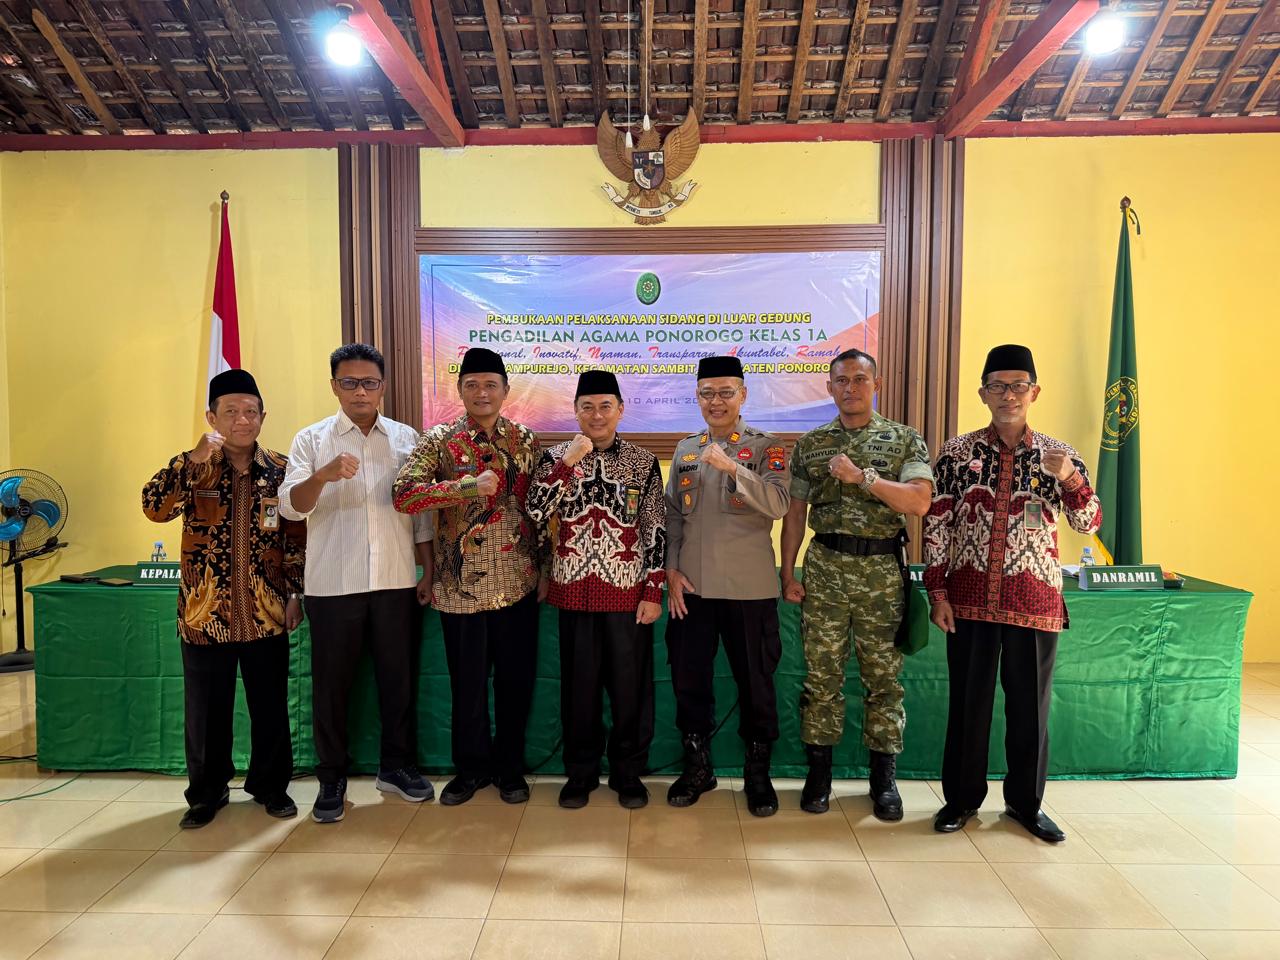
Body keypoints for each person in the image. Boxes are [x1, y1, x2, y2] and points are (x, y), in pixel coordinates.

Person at [925, 344, 1102, 843]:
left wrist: (1069, 478)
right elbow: (937, 524)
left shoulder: (1060, 455)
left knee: (1030, 711)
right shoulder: (957, 453)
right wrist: (937, 591)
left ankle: (1026, 804)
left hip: (1034, 602)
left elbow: (1089, 523)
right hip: (968, 601)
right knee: (969, 708)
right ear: (983, 393)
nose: (1008, 395)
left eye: (1018, 386)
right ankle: (961, 800)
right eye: (998, 386)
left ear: (1034, 392)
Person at [279, 343, 435, 823]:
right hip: (332, 585)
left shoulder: (406, 439)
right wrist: (323, 476)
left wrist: (427, 569)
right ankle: (331, 778)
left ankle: (397, 767)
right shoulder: (311, 440)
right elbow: (290, 508)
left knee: (398, 681)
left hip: (394, 579)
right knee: (332, 688)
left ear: (382, 387)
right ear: (334, 386)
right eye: (349, 382)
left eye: (369, 382)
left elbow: (420, 513)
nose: (360, 391)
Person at [142, 369, 304, 829]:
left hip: (266, 611)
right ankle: (206, 793)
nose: (242, 420)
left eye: (251, 412)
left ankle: (270, 786)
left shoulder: (280, 469)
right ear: (212, 417)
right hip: (204, 612)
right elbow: (154, 508)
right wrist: (191, 460)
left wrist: (295, 593)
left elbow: (294, 537)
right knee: (207, 711)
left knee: (269, 705)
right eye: (231, 412)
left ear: (263, 416)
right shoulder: (194, 466)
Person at [779, 348, 934, 819]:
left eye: (860, 379)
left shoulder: (903, 439)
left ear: (876, 384)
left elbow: (919, 503)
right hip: (825, 568)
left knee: (883, 679)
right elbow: (795, 514)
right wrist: (787, 572)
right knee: (821, 676)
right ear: (830, 388)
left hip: (881, 572)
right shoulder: (811, 444)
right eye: (842, 381)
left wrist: (863, 478)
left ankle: (883, 780)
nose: (850, 388)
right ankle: (819, 776)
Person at [392, 348, 543, 805]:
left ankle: (510, 770)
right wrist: (464, 487)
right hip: (459, 588)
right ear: (459, 391)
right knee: (468, 686)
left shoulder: (525, 441)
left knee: (515, 684)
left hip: (517, 583)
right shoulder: (439, 440)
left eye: (490, 384)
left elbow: (541, 511)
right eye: (472, 385)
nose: (482, 393)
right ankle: (471, 770)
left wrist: (547, 569)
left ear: (505, 390)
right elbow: (403, 494)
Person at [527, 370, 665, 810]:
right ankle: (580, 773)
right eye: (587, 406)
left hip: (627, 593)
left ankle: (629, 773)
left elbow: (654, 526)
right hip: (573, 593)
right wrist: (569, 462)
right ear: (575, 411)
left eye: (606, 406)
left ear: (620, 410)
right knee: (579, 690)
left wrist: (653, 590)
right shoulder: (554, 458)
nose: (597, 415)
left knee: (630, 689)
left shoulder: (642, 462)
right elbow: (535, 511)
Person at [664, 355, 790, 817]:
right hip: (692, 589)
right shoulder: (686, 449)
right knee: (689, 681)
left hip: (748, 589)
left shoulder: (766, 447)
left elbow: (778, 503)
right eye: (707, 394)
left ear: (742, 395)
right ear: (697, 397)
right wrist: (671, 571)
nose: (715, 402)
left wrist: (734, 468)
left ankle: (758, 775)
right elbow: (673, 516)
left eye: (725, 393)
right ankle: (698, 768)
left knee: (756, 683)